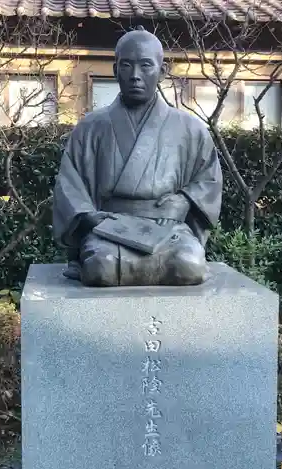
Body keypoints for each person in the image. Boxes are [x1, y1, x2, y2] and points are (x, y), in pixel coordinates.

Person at [52, 26, 222, 287]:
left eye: (145, 66)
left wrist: (185, 200)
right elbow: (70, 183)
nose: (135, 76)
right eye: (127, 66)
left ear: (162, 72)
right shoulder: (91, 127)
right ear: (115, 69)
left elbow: (208, 179)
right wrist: (89, 216)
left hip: (168, 228)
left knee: (190, 266)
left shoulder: (190, 128)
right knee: (101, 268)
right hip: (109, 228)